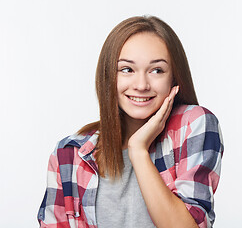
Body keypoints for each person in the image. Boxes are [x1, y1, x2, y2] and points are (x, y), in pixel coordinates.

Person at [37, 15, 224, 228]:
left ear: (174, 78)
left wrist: (138, 150)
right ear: (108, 76)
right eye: (127, 69)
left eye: (157, 70)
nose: (141, 85)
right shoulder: (70, 153)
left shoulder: (194, 124)